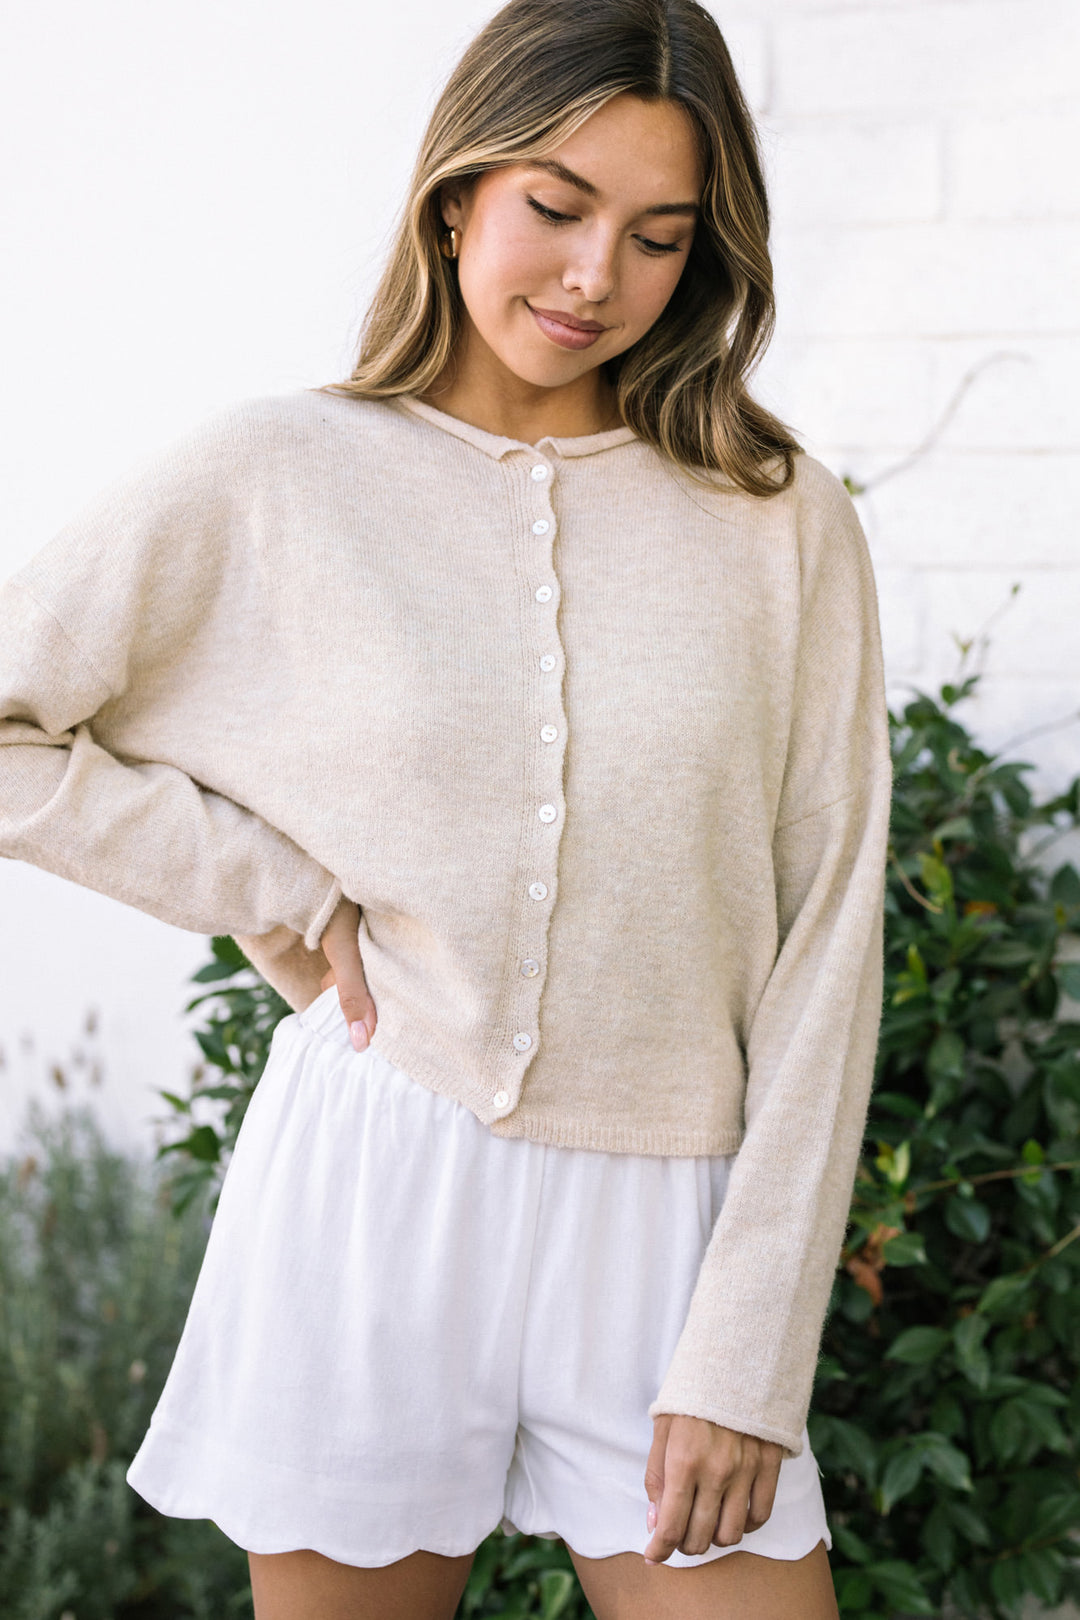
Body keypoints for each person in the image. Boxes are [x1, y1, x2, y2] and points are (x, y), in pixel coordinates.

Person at [0, 0, 894, 1615]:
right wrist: (269, 880)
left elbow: (830, 930)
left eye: (658, 237)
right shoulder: (277, 475)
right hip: (374, 1189)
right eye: (557, 208)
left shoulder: (779, 523)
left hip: (673, 1221)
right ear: (456, 194)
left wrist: (752, 1344)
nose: (593, 276)